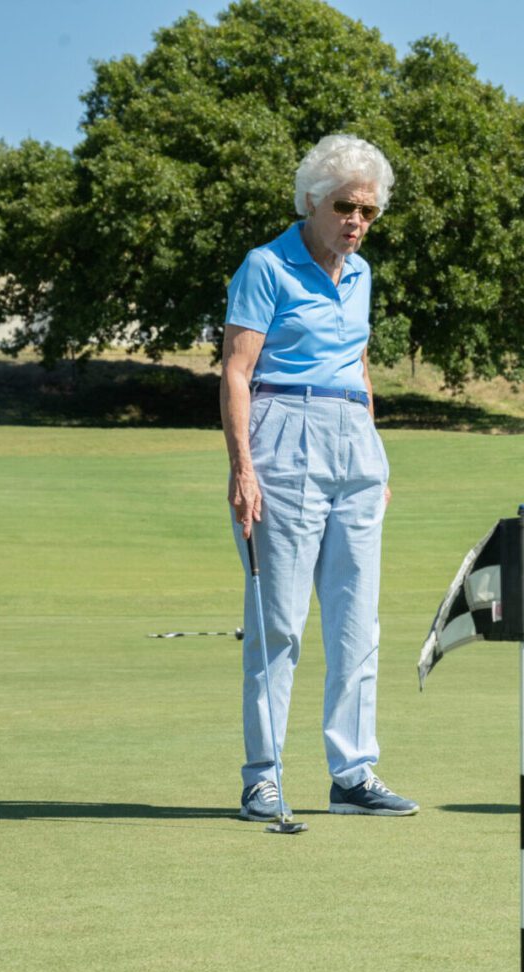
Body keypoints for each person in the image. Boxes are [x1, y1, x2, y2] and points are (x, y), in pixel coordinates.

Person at [220, 134, 418, 819]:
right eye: (345, 206)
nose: (356, 221)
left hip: (353, 445)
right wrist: (242, 466)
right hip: (282, 434)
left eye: (368, 210)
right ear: (311, 201)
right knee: (279, 623)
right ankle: (262, 777)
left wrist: (373, 452)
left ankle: (353, 773)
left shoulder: (360, 274)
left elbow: (358, 364)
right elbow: (237, 371)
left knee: (357, 622)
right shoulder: (265, 266)